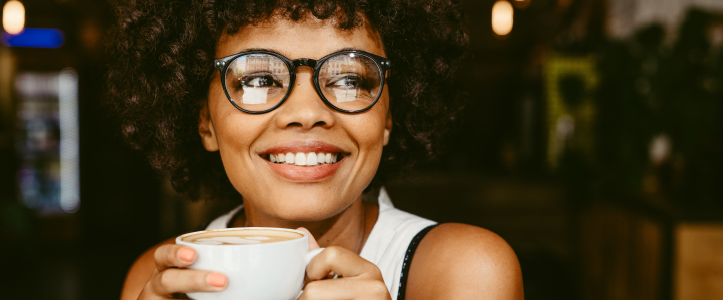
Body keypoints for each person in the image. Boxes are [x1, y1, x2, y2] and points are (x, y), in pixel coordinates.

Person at [107, 0, 523, 299]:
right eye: (256, 80)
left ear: (388, 120)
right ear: (206, 122)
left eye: (349, 81)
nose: (307, 113)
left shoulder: (463, 273)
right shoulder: (159, 278)